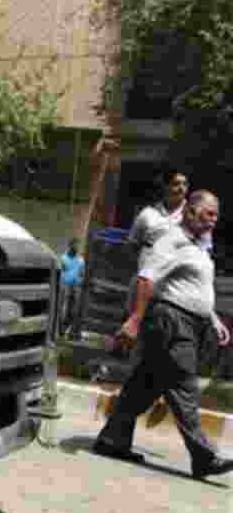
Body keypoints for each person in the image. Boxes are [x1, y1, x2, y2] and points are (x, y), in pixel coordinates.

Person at [93, 190, 233, 479]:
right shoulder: (171, 240)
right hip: (171, 322)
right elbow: (146, 278)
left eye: (216, 215)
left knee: (145, 385)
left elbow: (195, 289)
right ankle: (204, 457)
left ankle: (112, 439)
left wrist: (213, 318)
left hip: (190, 322)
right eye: (209, 214)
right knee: (184, 385)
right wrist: (134, 319)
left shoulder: (198, 247)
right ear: (191, 212)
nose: (213, 221)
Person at [59, 237, 85, 337]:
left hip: (76, 287)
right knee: (63, 310)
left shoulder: (81, 260)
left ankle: (67, 329)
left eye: (77, 245)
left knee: (73, 311)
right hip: (65, 287)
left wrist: (79, 283)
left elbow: (82, 274)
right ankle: (61, 330)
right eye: (74, 245)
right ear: (69, 246)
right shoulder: (63, 258)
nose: (76, 247)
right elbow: (61, 271)